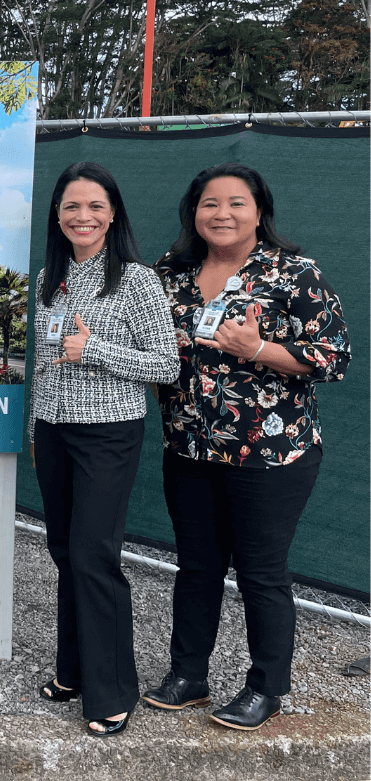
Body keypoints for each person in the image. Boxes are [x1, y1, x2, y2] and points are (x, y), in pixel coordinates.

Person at [144, 163, 349, 730]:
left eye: (237, 203)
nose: (223, 214)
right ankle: (188, 677)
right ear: (194, 213)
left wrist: (259, 349)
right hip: (188, 447)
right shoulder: (172, 273)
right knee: (197, 566)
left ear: (260, 212)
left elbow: (334, 358)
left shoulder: (294, 273)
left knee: (261, 571)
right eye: (210, 204)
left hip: (271, 455)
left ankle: (265, 688)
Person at [28, 162, 179, 737]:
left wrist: (96, 351)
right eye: (71, 207)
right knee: (65, 552)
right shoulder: (48, 277)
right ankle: (73, 672)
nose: (82, 216)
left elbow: (165, 364)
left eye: (94, 206)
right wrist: (38, 431)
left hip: (107, 433)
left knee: (95, 556)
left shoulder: (136, 280)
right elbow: (45, 361)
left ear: (112, 213)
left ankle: (112, 690)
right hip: (55, 430)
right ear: (57, 216)